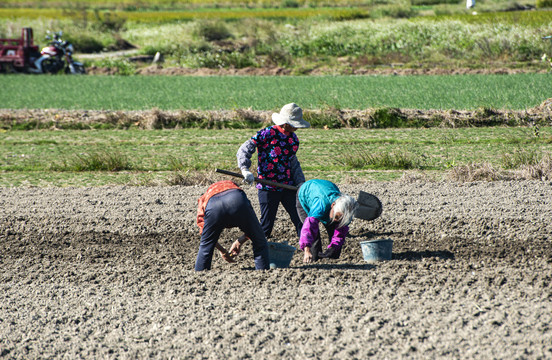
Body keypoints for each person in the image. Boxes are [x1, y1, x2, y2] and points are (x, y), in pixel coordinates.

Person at [237, 103, 310, 239]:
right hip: (267, 186)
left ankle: (308, 249)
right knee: (266, 226)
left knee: (301, 220)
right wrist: (245, 169)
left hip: (287, 185)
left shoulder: (293, 139)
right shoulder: (267, 134)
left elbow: (293, 162)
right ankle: (255, 249)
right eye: (294, 124)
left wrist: (300, 182)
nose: (297, 127)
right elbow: (244, 149)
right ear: (285, 123)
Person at [195, 180, 270, 271]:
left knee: (205, 246)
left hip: (213, 207)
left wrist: (223, 251)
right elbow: (254, 228)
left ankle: (200, 276)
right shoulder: (236, 189)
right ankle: (262, 273)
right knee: (259, 241)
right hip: (236, 200)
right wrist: (241, 240)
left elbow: (204, 233)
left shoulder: (205, 196)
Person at [296, 179, 359, 263]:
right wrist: (307, 250)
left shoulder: (347, 210)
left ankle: (333, 257)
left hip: (326, 193)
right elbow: (309, 228)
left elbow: (341, 230)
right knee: (315, 235)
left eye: (340, 218)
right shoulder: (321, 205)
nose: (336, 220)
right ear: (333, 205)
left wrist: (334, 247)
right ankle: (314, 258)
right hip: (305, 194)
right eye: (336, 216)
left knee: (334, 228)